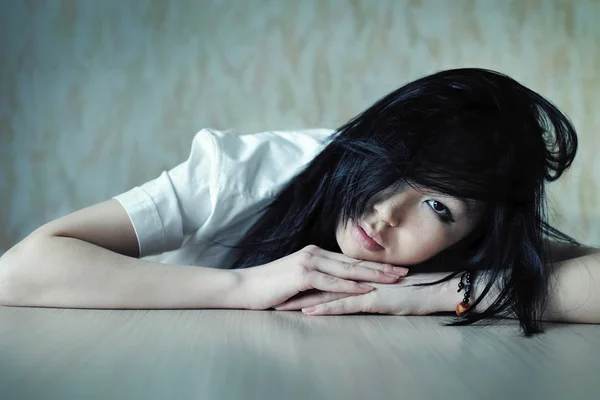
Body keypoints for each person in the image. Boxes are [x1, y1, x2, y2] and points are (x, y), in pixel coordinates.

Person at [1, 68, 598, 336]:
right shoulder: (244, 172)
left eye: (439, 207)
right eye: (397, 168)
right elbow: (20, 270)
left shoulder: (469, 250)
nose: (387, 212)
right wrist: (245, 288)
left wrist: (435, 296)